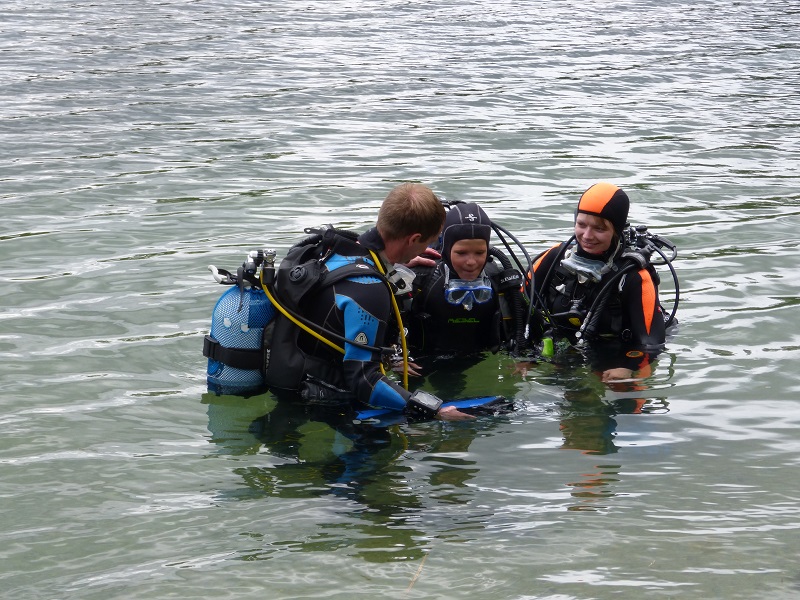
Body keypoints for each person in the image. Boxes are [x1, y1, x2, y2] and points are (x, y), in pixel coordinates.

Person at [261, 183, 474, 421]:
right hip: (317, 399)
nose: (423, 250)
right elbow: (364, 379)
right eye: (425, 244)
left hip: (287, 373)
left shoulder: (335, 250)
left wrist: (395, 265)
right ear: (414, 238)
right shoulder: (369, 288)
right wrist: (433, 411)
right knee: (382, 452)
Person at [526, 182, 669, 382]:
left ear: (616, 231)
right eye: (581, 224)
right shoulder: (554, 258)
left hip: (616, 355)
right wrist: (522, 355)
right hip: (563, 347)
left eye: (599, 229)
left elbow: (651, 343)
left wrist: (629, 367)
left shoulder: (634, 275)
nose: (587, 236)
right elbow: (519, 306)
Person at [403, 202, 527, 367]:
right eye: (461, 253)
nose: (471, 262)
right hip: (421, 363)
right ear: (446, 249)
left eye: (480, 253)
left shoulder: (497, 279)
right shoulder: (421, 277)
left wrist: (525, 361)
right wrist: (396, 265)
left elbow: (529, 331)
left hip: (480, 363)